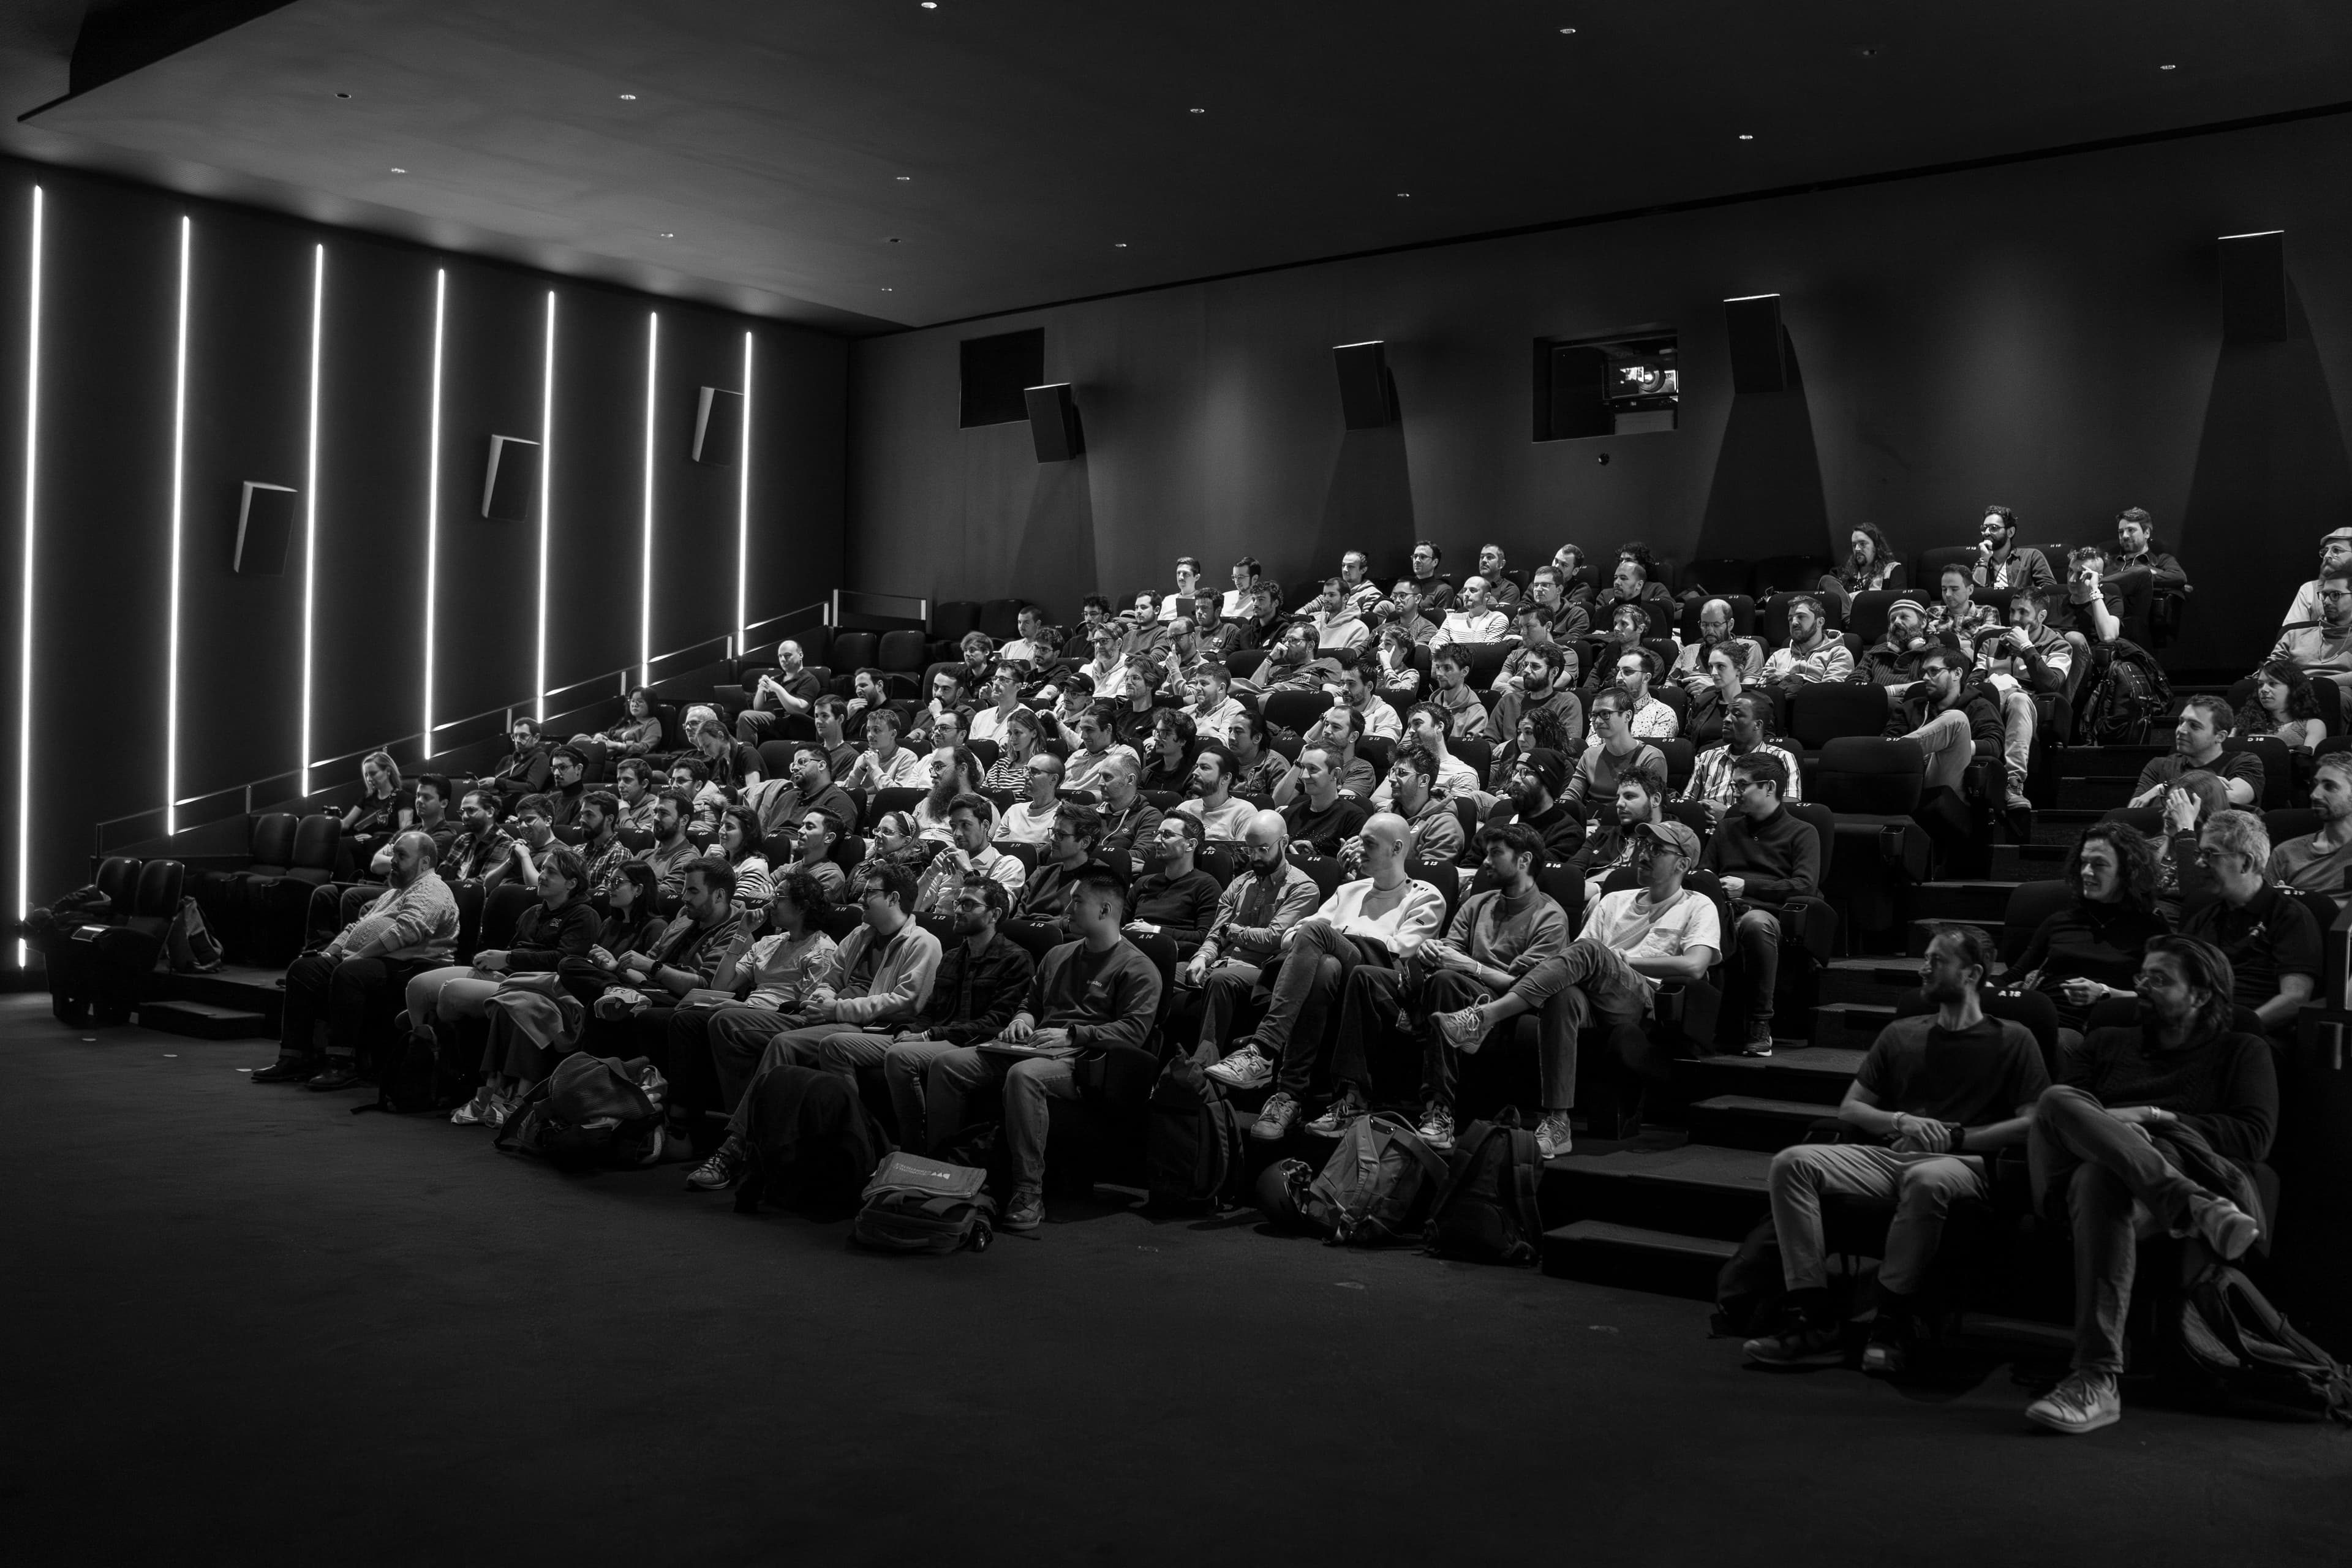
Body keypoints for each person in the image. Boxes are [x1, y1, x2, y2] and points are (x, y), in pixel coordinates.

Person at [1741, 924, 2050, 1372]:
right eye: (1924, 959)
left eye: (1936, 961)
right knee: (1792, 1162)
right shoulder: (1901, 1032)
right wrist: (1902, 1120)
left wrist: (1958, 1136)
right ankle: (1814, 1315)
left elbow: (2034, 1122)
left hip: (1965, 1163)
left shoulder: (2014, 1038)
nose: (1923, 969)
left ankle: (1891, 1319)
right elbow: (1851, 1109)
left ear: (1971, 974)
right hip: (1892, 1156)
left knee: (1926, 1179)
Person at [2022, 936, 2277, 1435]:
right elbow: (2070, 1119)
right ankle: (2195, 1206)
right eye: (2142, 975)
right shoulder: (2105, 1041)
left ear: (2200, 995)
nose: (2140, 986)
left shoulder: (2241, 1050)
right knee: (2056, 1101)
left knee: (2102, 1180)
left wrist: (2154, 1119)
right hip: (2064, 1179)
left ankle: (2096, 1380)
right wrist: (2117, 1134)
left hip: (2129, 1194)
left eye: (2159, 979)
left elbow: (2253, 1136)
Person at [921, 867, 1164, 1229]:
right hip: (1035, 1045)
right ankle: (942, 1172)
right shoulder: (1058, 955)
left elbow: (1134, 1032)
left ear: (1105, 910)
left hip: (1085, 1059)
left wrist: (1073, 1035)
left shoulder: (1138, 967)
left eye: (1078, 901)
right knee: (947, 1065)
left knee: (1024, 1076)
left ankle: (1027, 1192)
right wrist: (1022, 1020)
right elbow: (1031, 1004)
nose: (1068, 908)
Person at [1322, 823, 1572, 1153]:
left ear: (1524, 860)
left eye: (1496, 854)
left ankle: (1439, 1112)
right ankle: (1352, 1098)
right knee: (1365, 976)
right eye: (1486, 853)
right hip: (1449, 988)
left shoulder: (1550, 917)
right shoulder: (1478, 903)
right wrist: (1433, 951)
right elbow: (1449, 951)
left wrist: (1470, 966)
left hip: (1493, 1009)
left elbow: (1528, 987)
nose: (1485, 862)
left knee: (1445, 981)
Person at [1211, 815, 1446, 1132]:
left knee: (1320, 936)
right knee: (1326, 966)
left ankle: (1263, 1051)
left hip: (1376, 981)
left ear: (1396, 848)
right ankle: (1288, 1096)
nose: (1357, 850)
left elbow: (1400, 950)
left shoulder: (1425, 896)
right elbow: (1291, 937)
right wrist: (1330, 943)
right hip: (1332, 976)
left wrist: (1335, 937)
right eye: (1358, 841)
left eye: (1368, 844)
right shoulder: (1348, 890)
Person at [694, 862, 940, 1118]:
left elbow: (905, 1002)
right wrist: (823, 999)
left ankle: (745, 1132)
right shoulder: (860, 935)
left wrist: (836, 1009)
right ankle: (747, 1125)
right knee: (723, 1021)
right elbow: (831, 980)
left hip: (866, 1026)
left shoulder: (922, 943)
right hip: (829, 1016)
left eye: (869, 893)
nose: (861, 899)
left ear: (894, 898)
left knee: (782, 1043)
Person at [252, 832, 459, 1091]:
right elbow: (356, 927)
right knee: (304, 969)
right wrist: (331, 953)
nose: (393, 861)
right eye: (394, 854)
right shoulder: (393, 893)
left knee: (350, 972)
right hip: (376, 961)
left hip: (416, 966)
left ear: (424, 863)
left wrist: (360, 955)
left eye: (402, 855)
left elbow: (408, 931)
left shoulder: (432, 888)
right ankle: (294, 1057)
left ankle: (341, 1063)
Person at [432, 845, 601, 1126]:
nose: (542, 876)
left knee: (464, 994)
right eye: (543, 869)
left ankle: (495, 1091)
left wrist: (508, 959)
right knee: (421, 987)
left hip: (549, 988)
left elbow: (565, 961)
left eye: (551, 872)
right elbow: (514, 953)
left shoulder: (584, 915)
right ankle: (428, 1061)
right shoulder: (532, 913)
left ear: (571, 884)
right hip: (512, 977)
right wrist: (496, 962)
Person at [872, 878, 1038, 1151]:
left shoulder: (1015, 958)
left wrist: (928, 1035)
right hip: (936, 1036)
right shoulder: (952, 956)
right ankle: (867, 1142)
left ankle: (916, 1149)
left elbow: (996, 1022)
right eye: (958, 903)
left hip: (970, 1042)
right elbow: (930, 1010)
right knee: (836, 1046)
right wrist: (912, 1030)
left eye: (969, 905)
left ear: (994, 914)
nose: (958, 910)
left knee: (899, 1056)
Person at [2004, 823, 2168, 1044]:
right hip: (2038, 1021)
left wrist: (2104, 992)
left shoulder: (2151, 928)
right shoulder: (2061, 921)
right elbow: (2015, 975)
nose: (2086, 872)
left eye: (2099, 864)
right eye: (2084, 863)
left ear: (2128, 872)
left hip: (2095, 1032)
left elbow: (2162, 997)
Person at [1700, 752, 1817, 1055]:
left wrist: (1747, 886)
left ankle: (1760, 1022)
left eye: (1742, 785)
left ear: (1769, 788)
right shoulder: (1727, 828)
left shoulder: (1802, 832)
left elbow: (1804, 885)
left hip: (1769, 915)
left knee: (1755, 923)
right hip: (1723, 910)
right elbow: (1705, 874)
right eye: (1734, 785)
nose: (1735, 792)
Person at [2177, 810, 2320, 1036]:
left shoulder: (2290, 916)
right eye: (2199, 853)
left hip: (2252, 1037)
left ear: (2246, 863)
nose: (2199, 862)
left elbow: (2295, 999)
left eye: (2210, 854)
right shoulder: (2204, 916)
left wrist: (2230, 1028)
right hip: (2194, 1028)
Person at [1973, 586, 2075, 809]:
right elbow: (1973, 683)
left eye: (2023, 612)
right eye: (2012, 611)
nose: (2015, 619)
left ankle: (2013, 783)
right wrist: (1995, 684)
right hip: (1992, 703)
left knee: (2018, 699)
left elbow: (2051, 684)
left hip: (2029, 709)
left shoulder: (2059, 645)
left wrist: (2027, 648)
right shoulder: (1991, 644)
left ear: (2041, 616)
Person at [1890, 646, 2005, 800]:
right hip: (1906, 779)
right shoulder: (1910, 707)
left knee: (1956, 720)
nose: (1925, 678)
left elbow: (1994, 745)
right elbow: (1888, 740)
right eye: (1924, 672)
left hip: (1950, 785)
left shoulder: (1980, 707)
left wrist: (1954, 745)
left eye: (1934, 671)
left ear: (1957, 674)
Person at [2127, 695, 2262, 809]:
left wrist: (2162, 788)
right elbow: (2135, 810)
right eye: (2181, 722)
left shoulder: (2245, 762)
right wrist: (2209, 786)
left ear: (2220, 737)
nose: (2181, 730)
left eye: (2194, 726)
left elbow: (2232, 797)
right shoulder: (2159, 766)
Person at [1683, 693, 1801, 823]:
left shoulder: (1782, 758)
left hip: (1757, 832)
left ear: (1757, 725)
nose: (1726, 719)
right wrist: (1699, 812)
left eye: (1737, 714)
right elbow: (1687, 804)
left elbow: (1788, 811)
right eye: (1727, 714)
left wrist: (1729, 814)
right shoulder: (1707, 757)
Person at [913, 793, 1027, 914]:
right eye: (953, 826)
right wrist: (929, 874)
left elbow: (998, 913)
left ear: (985, 826)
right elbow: (911, 910)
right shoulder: (948, 863)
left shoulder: (1009, 865)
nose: (957, 834)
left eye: (965, 825)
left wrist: (969, 872)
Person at [1125, 813, 1223, 952]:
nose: (1156, 840)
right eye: (1157, 834)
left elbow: (1205, 937)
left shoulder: (1206, 886)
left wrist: (1155, 931)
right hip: (1131, 951)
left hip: (1176, 956)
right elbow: (1118, 926)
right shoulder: (1143, 883)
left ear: (1190, 845)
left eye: (1167, 835)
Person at [1562, 687, 1666, 815]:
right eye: (1594, 715)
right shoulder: (1589, 755)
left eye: (1605, 714)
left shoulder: (1651, 758)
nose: (1597, 721)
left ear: (1627, 716)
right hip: (1591, 824)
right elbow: (1571, 796)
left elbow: (1651, 811)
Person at [1569, 774, 1665, 903]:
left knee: (1597, 900)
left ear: (1655, 800)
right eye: (1618, 797)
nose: (1619, 804)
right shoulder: (1605, 833)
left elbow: (1654, 882)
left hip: (1633, 904)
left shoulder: (1669, 839)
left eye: (1629, 796)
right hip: (1581, 896)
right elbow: (1573, 869)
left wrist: (1598, 888)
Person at [2269, 752, 2352, 900]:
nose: (2315, 795)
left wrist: (2303, 900)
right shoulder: (2285, 854)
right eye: (2315, 784)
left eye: (2330, 786)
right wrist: (2283, 903)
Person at [1016, 802, 1110, 926]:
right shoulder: (1040, 875)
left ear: (1085, 842)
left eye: (1061, 835)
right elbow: (1017, 920)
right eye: (1053, 832)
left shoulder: (1101, 879)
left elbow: (1083, 925)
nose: (1052, 838)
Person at [1371, 703, 1481, 807]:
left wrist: (1401, 807)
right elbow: (1376, 799)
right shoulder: (1403, 764)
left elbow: (1456, 813)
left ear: (1439, 727)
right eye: (1409, 726)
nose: (1411, 731)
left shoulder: (1462, 773)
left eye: (1417, 723)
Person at [1484, 747, 1583, 860]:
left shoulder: (1567, 834)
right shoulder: (1494, 825)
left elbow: (1538, 868)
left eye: (1525, 773)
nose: (1515, 779)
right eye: (1515, 773)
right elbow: (1470, 866)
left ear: (1547, 782)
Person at [2264, 566, 2352, 693]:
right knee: (2243, 688)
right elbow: (2269, 672)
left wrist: (2314, 684)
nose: (2326, 602)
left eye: (2335, 595)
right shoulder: (2294, 635)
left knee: (2334, 696)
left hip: (2338, 694)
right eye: (2324, 595)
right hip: (2295, 694)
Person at [1376, 744, 1466, 865]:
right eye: (1392, 772)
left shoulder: (1444, 825)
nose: (1391, 779)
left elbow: (1426, 873)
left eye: (1401, 773)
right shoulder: (1383, 816)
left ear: (1423, 781)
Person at [756, 742, 860, 843]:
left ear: (821, 765)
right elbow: (764, 833)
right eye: (793, 765)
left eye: (802, 762)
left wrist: (786, 846)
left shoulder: (838, 801)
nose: (795, 768)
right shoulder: (786, 797)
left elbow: (833, 845)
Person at [1669, 597, 1765, 703]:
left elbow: (1748, 692)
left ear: (1730, 625)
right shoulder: (1689, 651)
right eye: (1705, 625)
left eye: (1716, 625)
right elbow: (1669, 691)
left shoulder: (1748, 648)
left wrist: (1712, 688)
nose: (1710, 630)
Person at [1490, 641, 1583, 749]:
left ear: (1554, 672)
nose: (1526, 671)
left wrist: (1512, 746)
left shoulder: (1567, 702)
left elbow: (1567, 747)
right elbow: (1488, 744)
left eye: (1535, 666)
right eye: (1525, 665)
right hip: (1505, 760)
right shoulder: (1508, 701)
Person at [1281, 745, 1371, 856]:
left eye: (1313, 769)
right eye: (1303, 768)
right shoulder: (1287, 815)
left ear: (1335, 774)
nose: (1304, 776)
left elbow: (1354, 863)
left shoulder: (1354, 818)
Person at [1761, 594, 1853, 692]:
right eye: (1791, 619)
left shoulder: (1839, 654)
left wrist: (1789, 679)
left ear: (1820, 622)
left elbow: (1829, 694)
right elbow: (1760, 693)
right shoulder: (1778, 657)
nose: (1794, 623)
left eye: (1801, 617)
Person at [734, 645, 821, 744]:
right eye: (780, 656)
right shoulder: (777, 679)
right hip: (768, 717)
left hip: (785, 719)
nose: (783, 659)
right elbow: (758, 709)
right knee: (729, 718)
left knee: (746, 717)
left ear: (800, 655)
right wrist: (761, 691)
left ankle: (746, 751)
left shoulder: (809, 680)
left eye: (787, 655)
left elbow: (801, 708)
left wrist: (777, 689)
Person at [1817, 521, 1905, 619]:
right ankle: (1849, 620)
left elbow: (1897, 603)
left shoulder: (1892, 570)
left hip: (1877, 619)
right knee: (1827, 580)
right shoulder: (1842, 572)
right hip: (1847, 623)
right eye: (1854, 545)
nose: (1857, 549)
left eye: (1863, 544)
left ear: (1876, 546)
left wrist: (1859, 597)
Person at [2234, 660, 2326, 752]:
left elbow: (2307, 760)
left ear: (2293, 688)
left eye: (2273, 683)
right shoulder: (2244, 723)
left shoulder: (2313, 725)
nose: (2264, 690)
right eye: (2261, 684)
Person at [1175, 742, 1254, 845]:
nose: (1195, 772)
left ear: (1226, 778)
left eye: (1205, 768)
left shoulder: (1243, 813)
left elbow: (1244, 854)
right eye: (1197, 767)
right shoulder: (1184, 809)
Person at [2278, 525, 2352, 631]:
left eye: (2336, 550)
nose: (2327, 556)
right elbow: (2291, 634)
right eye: (2325, 551)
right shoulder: (2309, 590)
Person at [1593, 548, 1676, 639]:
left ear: (1639, 585)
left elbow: (1653, 646)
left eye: (1623, 578)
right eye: (1615, 578)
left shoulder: (1654, 613)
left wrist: (1609, 637)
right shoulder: (1601, 614)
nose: (1617, 582)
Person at [338, 751, 404, 863]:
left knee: (340, 846)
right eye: (367, 775)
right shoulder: (368, 797)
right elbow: (346, 824)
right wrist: (326, 826)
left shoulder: (402, 797)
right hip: (357, 840)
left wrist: (374, 839)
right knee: (330, 843)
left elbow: (404, 832)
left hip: (380, 844)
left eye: (373, 773)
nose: (369, 779)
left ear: (388, 771)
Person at [1969, 504, 2054, 592]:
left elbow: (2051, 592)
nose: (1986, 533)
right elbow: (1973, 593)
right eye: (1984, 528)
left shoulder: (2031, 557)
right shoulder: (1980, 559)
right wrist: (1984, 561)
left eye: (1993, 528)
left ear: (2011, 532)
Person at [636, 788, 703, 897]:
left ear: (684, 820)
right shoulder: (643, 855)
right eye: (655, 812)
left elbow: (664, 895)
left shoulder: (689, 858)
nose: (656, 818)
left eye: (663, 813)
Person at [1061, 703, 1137, 796]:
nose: (1083, 736)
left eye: (1089, 730)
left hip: (1092, 804)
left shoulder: (1124, 755)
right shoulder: (1076, 755)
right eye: (1082, 730)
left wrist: (1083, 797)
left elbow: (1124, 794)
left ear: (1108, 729)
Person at [1927, 562, 1999, 659]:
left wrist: (1942, 640)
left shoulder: (1987, 612)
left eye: (1954, 589)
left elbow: (1986, 646)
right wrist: (1968, 644)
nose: (1948, 594)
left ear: (1970, 590)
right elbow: (1926, 646)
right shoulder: (1933, 612)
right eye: (1944, 589)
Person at [844, 708, 926, 793]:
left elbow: (900, 794)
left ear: (893, 734)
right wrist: (860, 770)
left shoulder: (908, 758)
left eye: (876, 730)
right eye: (868, 730)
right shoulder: (863, 758)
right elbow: (846, 792)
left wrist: (875, 768)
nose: (870, 735)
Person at [2110, 506, 2188, 595]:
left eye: (2131, 530)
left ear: (2147, 533)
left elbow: (2179, 577)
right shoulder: (2110, 562)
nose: (2125, 536)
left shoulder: (2161, 560)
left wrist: (2140, 578)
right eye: (2121, 532)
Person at [995, 749, 1064, 846]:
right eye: (1026, 770)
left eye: (1034, 772)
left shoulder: (1064, 816)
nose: (1025, 776)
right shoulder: (1014, 811)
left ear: (1053, 779)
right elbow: (999, 848)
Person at [1608, 648, 1679, 741]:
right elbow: (1591, 748)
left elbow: (1654, 750)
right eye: (1617, 671)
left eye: (1628, 672)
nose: (1618, 678)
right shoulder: (1605, 709)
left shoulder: (1662, 714)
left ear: (1646, 678)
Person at [1424, 644, 1492, 739]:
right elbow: (1406, 744)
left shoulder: (1477, 714)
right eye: (1438, 667)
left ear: (1464, 672)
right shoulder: (1424, 709)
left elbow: (1469, 748)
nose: (1439, 674)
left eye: (1447, 668)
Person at [574, 789, 632, 899]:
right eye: (582, 814)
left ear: (609, 819)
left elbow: (604, 895)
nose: (582, 820)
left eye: (589, 815)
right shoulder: (576, 851)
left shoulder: (619, 854)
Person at [1229, 704, 1294, 801]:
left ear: (1257, 738)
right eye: (1230, 731)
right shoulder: (1224, 761)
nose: (1231, 737)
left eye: (1238, 732)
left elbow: (1277, 805)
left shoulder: (1275, 764)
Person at [785, 807, 851, 903]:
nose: (800, 831)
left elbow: (803, 908)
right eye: (802, 825)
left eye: (810, 827)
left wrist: (774, 894)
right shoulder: (786, 869)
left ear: (829, 838)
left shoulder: (831, 876)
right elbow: (759, 897)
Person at [578, 684, 665, 755]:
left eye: (640, 701)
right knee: (580, 738)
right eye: (633, 701)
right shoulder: (627, 721)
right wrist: (599, 736)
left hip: (622, 756)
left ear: (650, 704)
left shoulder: (652, 723)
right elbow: (609, 734)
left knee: (581, 750)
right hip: (605, 750)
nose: (635, 705)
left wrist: (617, 745)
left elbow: (644, 747)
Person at [486, 717, 552, 808]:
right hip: (497, 800)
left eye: (523, 736)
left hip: (516, 804)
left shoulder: (541, 758)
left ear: (536, 738)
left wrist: (499, 783)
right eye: (515, 736)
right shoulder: (507, 760)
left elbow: (532, 788)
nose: (517, 740)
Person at [1334, 655, 1401, 741]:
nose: (1344, 689)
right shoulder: (1337, 706)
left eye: (1351, 684)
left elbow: (1386, 744)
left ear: (1369, 686)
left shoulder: (1386, 713)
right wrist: (1323, 719)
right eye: (1343, 683)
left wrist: (1350, 724)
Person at [1525, 563, 1591, 649]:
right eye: (1536, 585)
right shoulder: (1525, 614)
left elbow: (1572, 643)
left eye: (1545, 585)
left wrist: (1529, 640)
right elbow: (1510, 640)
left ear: (1559, 590)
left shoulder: (1577, 614)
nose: (1538, 589)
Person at [1433, 575, 1509, 647]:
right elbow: (1436, 643)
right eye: (1465, 590)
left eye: (1472, 591)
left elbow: (1488, 650)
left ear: (1487, 597)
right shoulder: (1452, 618)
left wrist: (1450, 648)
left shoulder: (1497, 619)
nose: (1466, 594)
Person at [1185, 662, 1248, 748]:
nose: (1197, 688)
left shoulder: (1234, 709)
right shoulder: (1186, 711)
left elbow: (1224, 744)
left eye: (1203, 683)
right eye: (1196, 683)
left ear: (1221, 688)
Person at [1136, 706, 1197, 794]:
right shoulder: (1147, 772)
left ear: (1182, 741)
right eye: (1157, 732)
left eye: (1164, 733)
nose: (1156, 738)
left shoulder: (1194, 776)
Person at [967, 662, 1027, 750]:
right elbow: (970, 751)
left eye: (1003, 679)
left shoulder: (1025, 717)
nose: (996, 683)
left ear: (1017, 687)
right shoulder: (980, 716)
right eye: (995, 678)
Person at [1311, 576, 1373, 654]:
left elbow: (1349, 659)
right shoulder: (1313, 627)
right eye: (1325, 595)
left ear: (1345, 598)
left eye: (1331, 595)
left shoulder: (1359, 629)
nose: (1326, 599)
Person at [1381, 577, 1442, 646]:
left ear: (1417, 599)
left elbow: (1413, 651)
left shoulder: (1428, 630)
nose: (1397, 600)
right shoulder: (1384, 627)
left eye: (1402, 595)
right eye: (1395, 596)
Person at [1475, 543, 1523, 612]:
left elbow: (1503, 615)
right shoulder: (1471, 585)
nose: (1484, 561)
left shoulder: (1509, 589)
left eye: (1490, 557)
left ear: (1501, 564)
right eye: (1482, 557)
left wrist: (1495, 606)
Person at [1219, 556, 1264, 620]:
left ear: (1255, 579)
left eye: (1241, 577)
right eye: (1235, 577)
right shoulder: (1225, 597)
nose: (1237, 581)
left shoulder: (1258, 602)